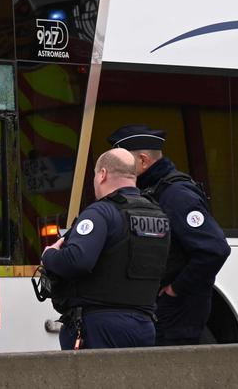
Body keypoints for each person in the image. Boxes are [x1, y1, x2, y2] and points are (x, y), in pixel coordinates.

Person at [107, 125, 231, 345]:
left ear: (143, 160)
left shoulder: (176, 194)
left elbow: (215, 250)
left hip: (176, 314)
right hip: (161, 310)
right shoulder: (152, 190)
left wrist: (175, 289)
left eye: (123, 163)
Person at [42, 148, 170, 350]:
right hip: (144, 325)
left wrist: (49, 255)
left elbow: (77, 260)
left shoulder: (101, 212)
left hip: (99, 327)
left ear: (102, 174)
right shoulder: (158, 214)